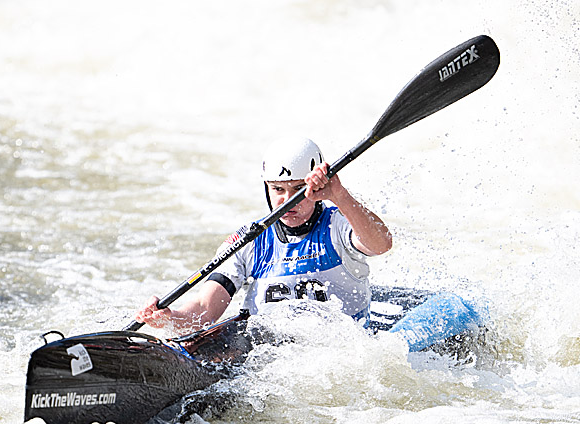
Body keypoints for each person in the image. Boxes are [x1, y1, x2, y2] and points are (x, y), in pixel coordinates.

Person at [135, 137, 392, 333]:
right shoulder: (248, 241)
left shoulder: (338, 224)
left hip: (339, 352)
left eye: (299, 189)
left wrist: (340, 195)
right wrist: (169, 319)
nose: (287, 201)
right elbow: (205, 310)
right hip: (269, 355)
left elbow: (381, 243)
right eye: (278, 189)